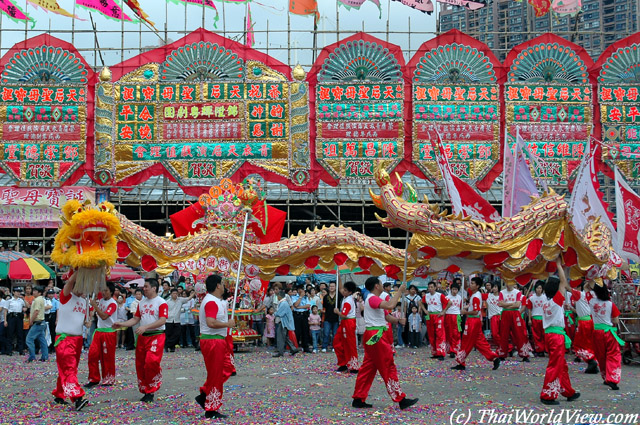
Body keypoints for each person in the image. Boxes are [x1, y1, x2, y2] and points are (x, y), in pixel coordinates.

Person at [352, 277, 418, 410]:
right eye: (381, 284)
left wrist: (398, 321)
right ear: (376, 286)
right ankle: (400, 399)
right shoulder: (372, 298)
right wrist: (399, 291)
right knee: (388, 365)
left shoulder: (374, 299)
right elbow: (390, 306)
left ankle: (358, 398)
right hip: (376, 335)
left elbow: (387, 317)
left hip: (374, 334)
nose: (382, 285)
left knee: (368, 367)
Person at [113, 278, 168, 403]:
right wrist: (122, 324)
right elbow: (135, 319)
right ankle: (146, 390)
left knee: (151, 362)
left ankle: (152, 387)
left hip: (156, 336)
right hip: (143, 337)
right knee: (141, 364)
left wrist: (146, 327)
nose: (144, 289)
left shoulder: (161, 302)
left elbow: (162, 320)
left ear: (154, 288)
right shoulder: (142, 303)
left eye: (147, 286)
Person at [194, 274, 236, 420]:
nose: (224, 286)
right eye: (223, 283)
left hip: (217, 340)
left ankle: (205, 395)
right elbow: (211, 322)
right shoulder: (211, 301)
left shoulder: (215, 301)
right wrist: (227, 324)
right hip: (212, 341)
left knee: (227, 368)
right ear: (218, 285)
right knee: (215, 374)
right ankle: (211, 407)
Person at [539, 260, 580, 405]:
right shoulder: (556, 300)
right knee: (555, 365)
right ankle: (547, 395)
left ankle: (568, 391)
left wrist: (553, 264)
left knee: (561, 364)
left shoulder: (545, 300)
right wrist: (558, 264)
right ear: (556, 289)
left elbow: (557, 282)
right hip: (556, 336)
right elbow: (563, 282)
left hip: (550, 334)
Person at [51, 272, 89, 411]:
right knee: (69, 368)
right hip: (64, 339)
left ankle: (59, 395)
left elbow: (82, 319)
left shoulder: (84, 301)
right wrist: (78, 271)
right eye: (80, 284)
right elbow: (68, 284)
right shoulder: (66, 296)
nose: (82, 288)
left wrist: (87, 322)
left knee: (69, 368)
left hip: (78, 339)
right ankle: (77, 398)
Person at [451, 277, 501, 371]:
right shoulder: (474, 294)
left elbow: (476, 311)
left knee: (466, 341)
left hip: (472, 321)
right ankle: (494, 358)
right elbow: (466, 288)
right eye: (471, 283)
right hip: (475, 321)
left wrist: (465, 312)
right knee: (480, 342)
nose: (471, 285)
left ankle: (461, 362)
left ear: (477, 286)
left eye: (473, 283)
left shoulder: (476, 297)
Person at [590, 279, 625, 390]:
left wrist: (592, 278)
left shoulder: (591, 301)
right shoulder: (610, 304)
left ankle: (605, 376)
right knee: (613, 355)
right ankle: (612, 379)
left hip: (596, 332)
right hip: (608, 332)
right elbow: (615, 321)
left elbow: (586, 287)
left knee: (601, 356)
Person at [85, 282, 118, 387]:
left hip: (109, 332)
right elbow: (93, 312)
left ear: (111, 292)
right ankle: (94, 378)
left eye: (106, 290)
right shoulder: (100, 301)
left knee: (107, 357)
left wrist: (95, 306)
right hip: (99, 331)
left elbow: (104, 316)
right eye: (102, 290)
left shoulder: (113, 303)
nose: (103, 293)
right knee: (92, 355)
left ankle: (108, 378)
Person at [497, 279, 531, 362]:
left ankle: (524, 354)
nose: (509, 284)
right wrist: (512, 304)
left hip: (515, 314)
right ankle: (502, 354)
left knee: (519, 334)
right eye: (507, 282)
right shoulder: (502, 292)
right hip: (505, 314)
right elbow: (500, 304)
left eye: (510, 282)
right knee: (504, 334)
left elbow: (518, 305)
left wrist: (506, 304)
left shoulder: (517, 292)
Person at [570, 279, 598, 373]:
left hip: (584, 323)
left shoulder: (579, 294)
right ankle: (593, 363)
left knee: (578, 345)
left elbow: (565, 286)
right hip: (591, 321)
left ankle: (591, 361)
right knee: (589, 343)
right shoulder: (591, 295)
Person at [334, 281, 359, 373]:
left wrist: (337, 312)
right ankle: (343, 363)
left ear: (350, 292)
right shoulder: (346, 297)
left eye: (345, 290)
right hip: (344, 323)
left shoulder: (348, 301)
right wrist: (339, 274)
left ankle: (353, 366)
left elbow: (344, 314)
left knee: (350, 344)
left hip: (348, 322)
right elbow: (340, 287)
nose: (342, 291)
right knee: (338, 342)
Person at [422, 281, 450, 360]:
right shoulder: (426, 296)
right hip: (430, 316)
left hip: (438, 315)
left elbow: (449, 302)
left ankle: (441, 353)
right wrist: (425, 310)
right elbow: (420, 302)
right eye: (429, 287)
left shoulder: (440, 295)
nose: (430, 289)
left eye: (431, 287)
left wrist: (443, 312)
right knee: (431, 334)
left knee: (440, 334)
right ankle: (434, 353)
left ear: (435, 288)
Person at [165, 288, 195, 352]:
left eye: (176, 293)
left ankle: (168, 344)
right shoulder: (167, 302)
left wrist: (194, 292)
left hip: (177, 320)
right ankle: (171, 347)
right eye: (173, 293)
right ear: (171, 294)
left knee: (177, 334)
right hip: (169, 320)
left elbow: (188, 298)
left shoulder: (180, 300)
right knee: (169, 334)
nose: (175, 295)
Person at [273, 287, 299, 358]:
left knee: (280, 337)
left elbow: (280, 313)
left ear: (279, 296)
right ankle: (293, 348)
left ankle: (280, 352)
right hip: (285, 322)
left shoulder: (283, 303)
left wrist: (274, 313)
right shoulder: (284, 303)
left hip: (284, 322)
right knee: (285, 337)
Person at [25, 286, 48, 363]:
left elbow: (36, 311)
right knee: (42, 340)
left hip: (38, 322)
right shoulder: (41, 299)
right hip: (42, 322)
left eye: (35, 291)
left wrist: (31, 321)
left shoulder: (38, 300)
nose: (33, 292)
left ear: (39, 293)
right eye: (33, 290)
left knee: (29, 339)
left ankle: (32, 356)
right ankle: (45, 356)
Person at [528, 281, 547, 357]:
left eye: (540, 288)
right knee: (536, 335)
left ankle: (543, 350)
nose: (539, 290)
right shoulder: (531, 298)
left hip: (543, 318)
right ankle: (538, 350)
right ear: (535, 289)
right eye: (537, 288)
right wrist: (529, 319)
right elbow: (529, 309)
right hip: (535, 318)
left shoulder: (545, 297)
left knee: (543, 335)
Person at [6, 287, 26, 355]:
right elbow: (5, 310)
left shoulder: (21, 300)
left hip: (19, 317)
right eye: (17, 291)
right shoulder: (9, 301)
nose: (18, 293)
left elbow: (26, 306)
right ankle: (9, 350)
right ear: (13, 292)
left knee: (20, 334)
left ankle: (21, 350)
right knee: (10, 334)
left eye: (19, 292)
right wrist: (5, 320)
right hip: (12, 317)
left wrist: (24, 299)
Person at [291, 285, 312, 353]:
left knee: (305, 331)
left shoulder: (306, 297)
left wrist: (300, 307)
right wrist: (300, 297)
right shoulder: (294, 297)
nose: (302, 291)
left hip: (304, 315)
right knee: (297, 331)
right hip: (297, 315)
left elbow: (308, 305)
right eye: (300, 290)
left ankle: (305, 347)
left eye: (303, 289)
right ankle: (296, 347)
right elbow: (295, 305)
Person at [322, 282, 341, 353]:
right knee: (326, 333)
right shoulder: (326, 297)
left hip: (336, 318)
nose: (331, 288)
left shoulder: (338, 295)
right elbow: (325, 306)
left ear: (335, 287)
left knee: (335, 334)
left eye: (333, 286)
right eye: (330, 286)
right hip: (327, 317)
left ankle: (334, 346)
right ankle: (324, 346)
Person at [445, 283, 463, 357]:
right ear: (451, 289)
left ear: (458, 290)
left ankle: (455, 349)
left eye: (456, 289)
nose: (454, 291)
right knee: (449, 333)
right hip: (448, 315)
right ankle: (450, 350)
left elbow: (461, 307)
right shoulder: (447, 297)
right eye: (453, 289)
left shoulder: (460, 297)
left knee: (456, 333)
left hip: (457, 316)